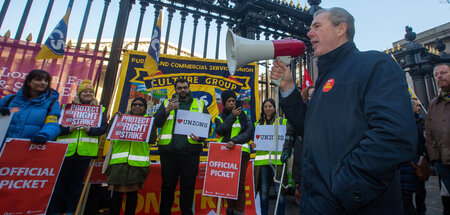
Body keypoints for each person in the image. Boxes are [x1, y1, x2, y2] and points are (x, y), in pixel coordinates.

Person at [270, 7, 417, 214]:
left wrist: (345, 188)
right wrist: (288, 89)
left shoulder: (374, 64)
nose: (310, 33)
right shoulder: (324, 79)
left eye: (317, 26)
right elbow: (310, 129)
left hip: (352, 204)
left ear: (341, 29)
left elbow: (394, 135)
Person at [47, 80, 108, 215]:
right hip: (65, 151)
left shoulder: (100, 110)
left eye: (90, 92)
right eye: (84, 92)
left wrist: (91, 130)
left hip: (85, 153)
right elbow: (54, 127)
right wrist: (68, 129)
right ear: (79, 95)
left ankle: (71, 211)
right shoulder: (66, 108)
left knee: (76, 185)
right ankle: (54, 211)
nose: (88, 94)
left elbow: (104, 128)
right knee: (60, 185)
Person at [153, 78, 209, 215]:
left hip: (190, 154)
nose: (182, 90)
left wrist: (201, 137)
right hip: (169, 153)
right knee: (167, 187)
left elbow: (207, 126)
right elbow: (157, 123)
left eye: (185, 87)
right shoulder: (167, 103)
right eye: (179, 88)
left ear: (189, 88)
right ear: (175, 89)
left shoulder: (200, 103)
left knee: (188, 187)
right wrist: (166, 110)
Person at [106, 97, 152, 215]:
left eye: (141, 105)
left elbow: (152, 140)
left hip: (136, 166)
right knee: (116, 196)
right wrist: (113, 120)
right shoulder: (121, 119)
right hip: (119, 164)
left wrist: (151, 125)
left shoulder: (149, 121)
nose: (137, 106)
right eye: (135, 104)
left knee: (132, 196)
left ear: (145, 108)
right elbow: (109, 135)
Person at [214, 90, 254, 215]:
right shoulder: (219, 117)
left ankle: (239, 211)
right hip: (226, 153)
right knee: (229, 183)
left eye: (233, 101)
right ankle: (230, 210)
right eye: (229, 101)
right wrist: (232, 116)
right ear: (224, 103)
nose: (232, 103)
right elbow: (221, 130)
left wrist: (234, 141)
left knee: (240, 184)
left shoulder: (244, 115)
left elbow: (249, 132)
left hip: (242, 153)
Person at [254, 98, 294, 215]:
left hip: (278, 163)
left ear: (275, 108)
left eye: (270, 106)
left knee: (279, 191)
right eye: (265, 106)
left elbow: (289, 136)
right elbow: (256, 141)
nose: (268, 108)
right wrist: (253, 143)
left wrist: (286, 144)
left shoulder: (282, 122)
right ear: (263, 109)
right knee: (264, 191)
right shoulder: (258, 123)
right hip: (263, 164)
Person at [0, 69, 60, 144]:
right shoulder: (9, 99)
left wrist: (44, 135)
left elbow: (52, 123)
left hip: (29, 147)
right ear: (28, 82)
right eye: (38, 80)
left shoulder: (52, 103)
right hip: (3, 145)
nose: (43, 83)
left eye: (46, 81)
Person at [281, 85, 314, 206]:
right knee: (300, 179)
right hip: (301, 148)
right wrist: (286, 150)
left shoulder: (321, 111)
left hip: (316, 151)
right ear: (306, 97)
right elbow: (290, 134)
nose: (312, 98)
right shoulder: (300, 112)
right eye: (310, 95)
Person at [426, 63, 450, 215]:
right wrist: (435, 158)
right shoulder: (434, 103)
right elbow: (429, 133)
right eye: (436, 74)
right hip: (443, 165)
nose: (439, 76)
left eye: (444, 72)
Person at [399, 98, 428, 215]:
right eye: (417, 106)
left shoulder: (419, 121)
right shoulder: (406, 123)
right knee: (407, 198)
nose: (419, 108)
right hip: (408, 164)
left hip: (416, 162)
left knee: (420, 193)